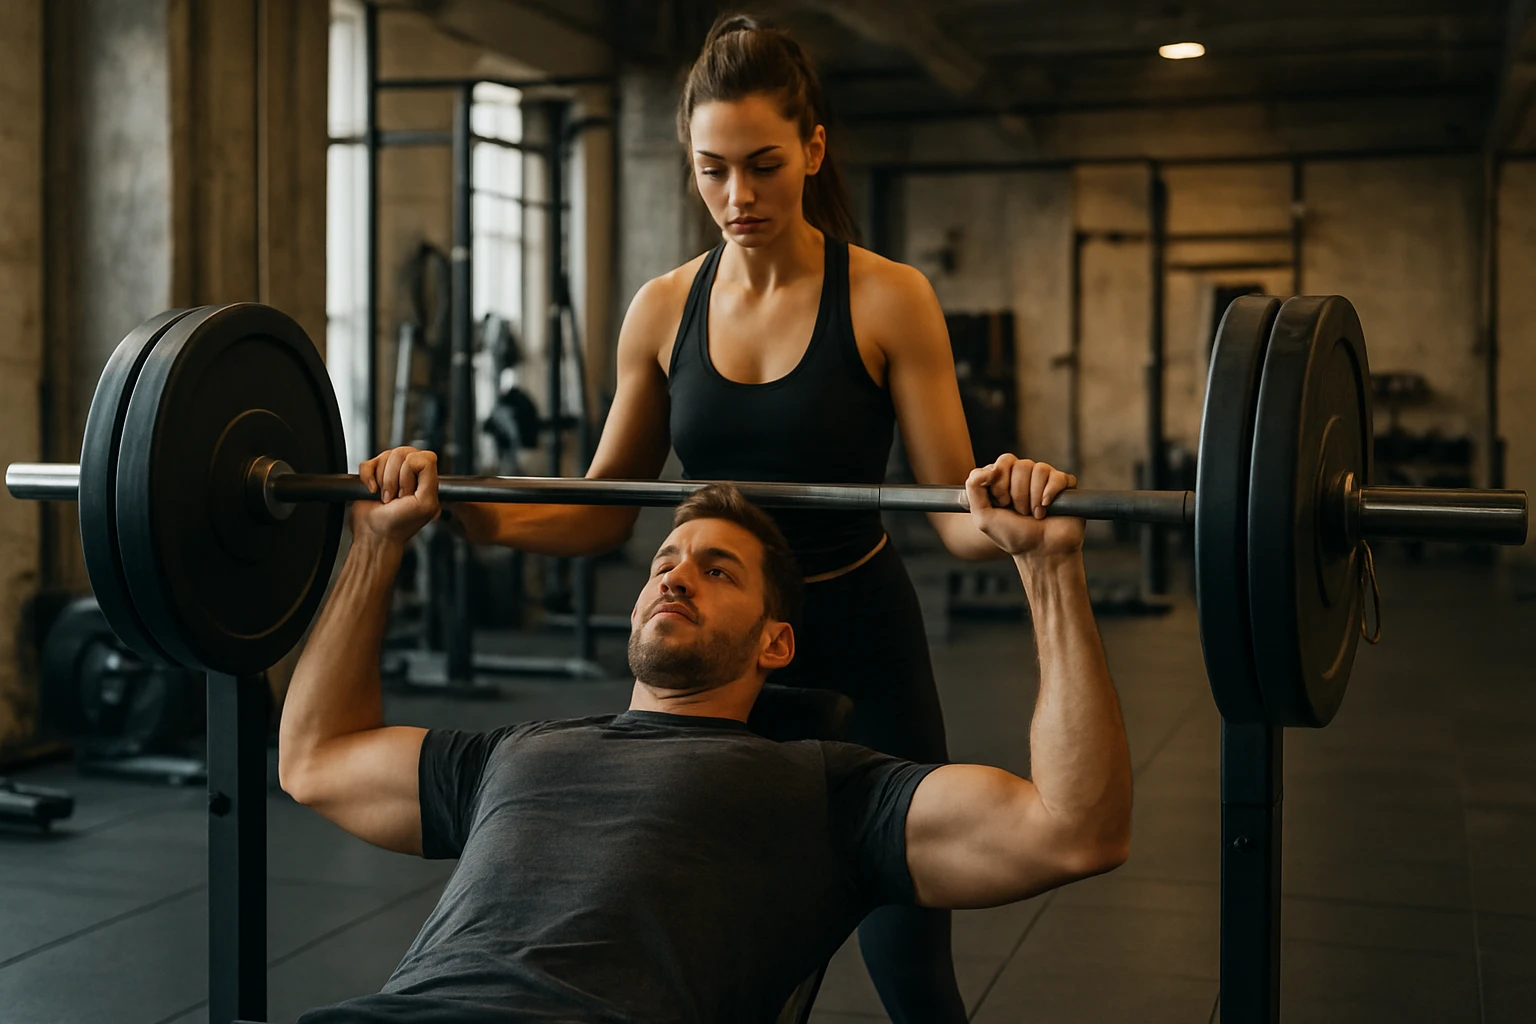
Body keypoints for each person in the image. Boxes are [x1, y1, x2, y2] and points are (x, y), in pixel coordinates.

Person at [383, 15, 1059, 1019]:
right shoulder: (662, 309)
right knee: (703, 942)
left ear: (813, 148)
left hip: (861, 639)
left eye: (763, 165)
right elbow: (603, 509)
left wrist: (1010, 518)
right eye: (711, 170)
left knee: (910, 962)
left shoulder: (887, 299)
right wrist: (472, 517)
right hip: (720, 666)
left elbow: (951, 511)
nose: (737, 198)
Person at [279, 450, 1132, 1024]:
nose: (676, 574)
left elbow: (1074, 828)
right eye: (664, 564)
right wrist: (374, 542)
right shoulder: (517, 750)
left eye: (716, 570)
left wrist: (1050, 569)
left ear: (776, 642)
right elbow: (315, 759)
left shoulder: (825, 789)